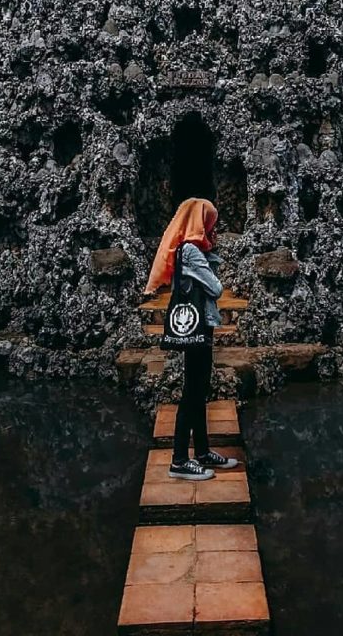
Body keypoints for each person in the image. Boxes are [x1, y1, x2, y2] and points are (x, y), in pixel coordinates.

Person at [144, 197, 239, 480]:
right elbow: (216, 288)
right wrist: (209, 255)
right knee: (192, 392)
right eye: (211, 222)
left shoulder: (191, 249)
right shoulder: (191, 251)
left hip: (201, 327)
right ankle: (179, 460)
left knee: (199, 389)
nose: (214, 228)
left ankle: (201, 451)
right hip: (198, 328)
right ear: (202, 221)